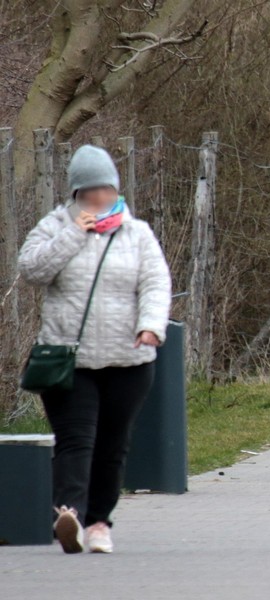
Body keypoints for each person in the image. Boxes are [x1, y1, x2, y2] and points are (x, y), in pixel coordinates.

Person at [18, 145, 171, 554]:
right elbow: (31, 269)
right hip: (70, 358)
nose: (98, 199)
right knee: (76, 439)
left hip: (129, 359)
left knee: (112, 443)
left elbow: (156, 283)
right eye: (89, 192)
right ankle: (68, 514)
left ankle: (100, 522)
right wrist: (73, 235)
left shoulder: (136, 232)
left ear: (116, 190)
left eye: (105, 190)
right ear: (75, 194)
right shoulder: (54, 226)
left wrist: (151, 327)